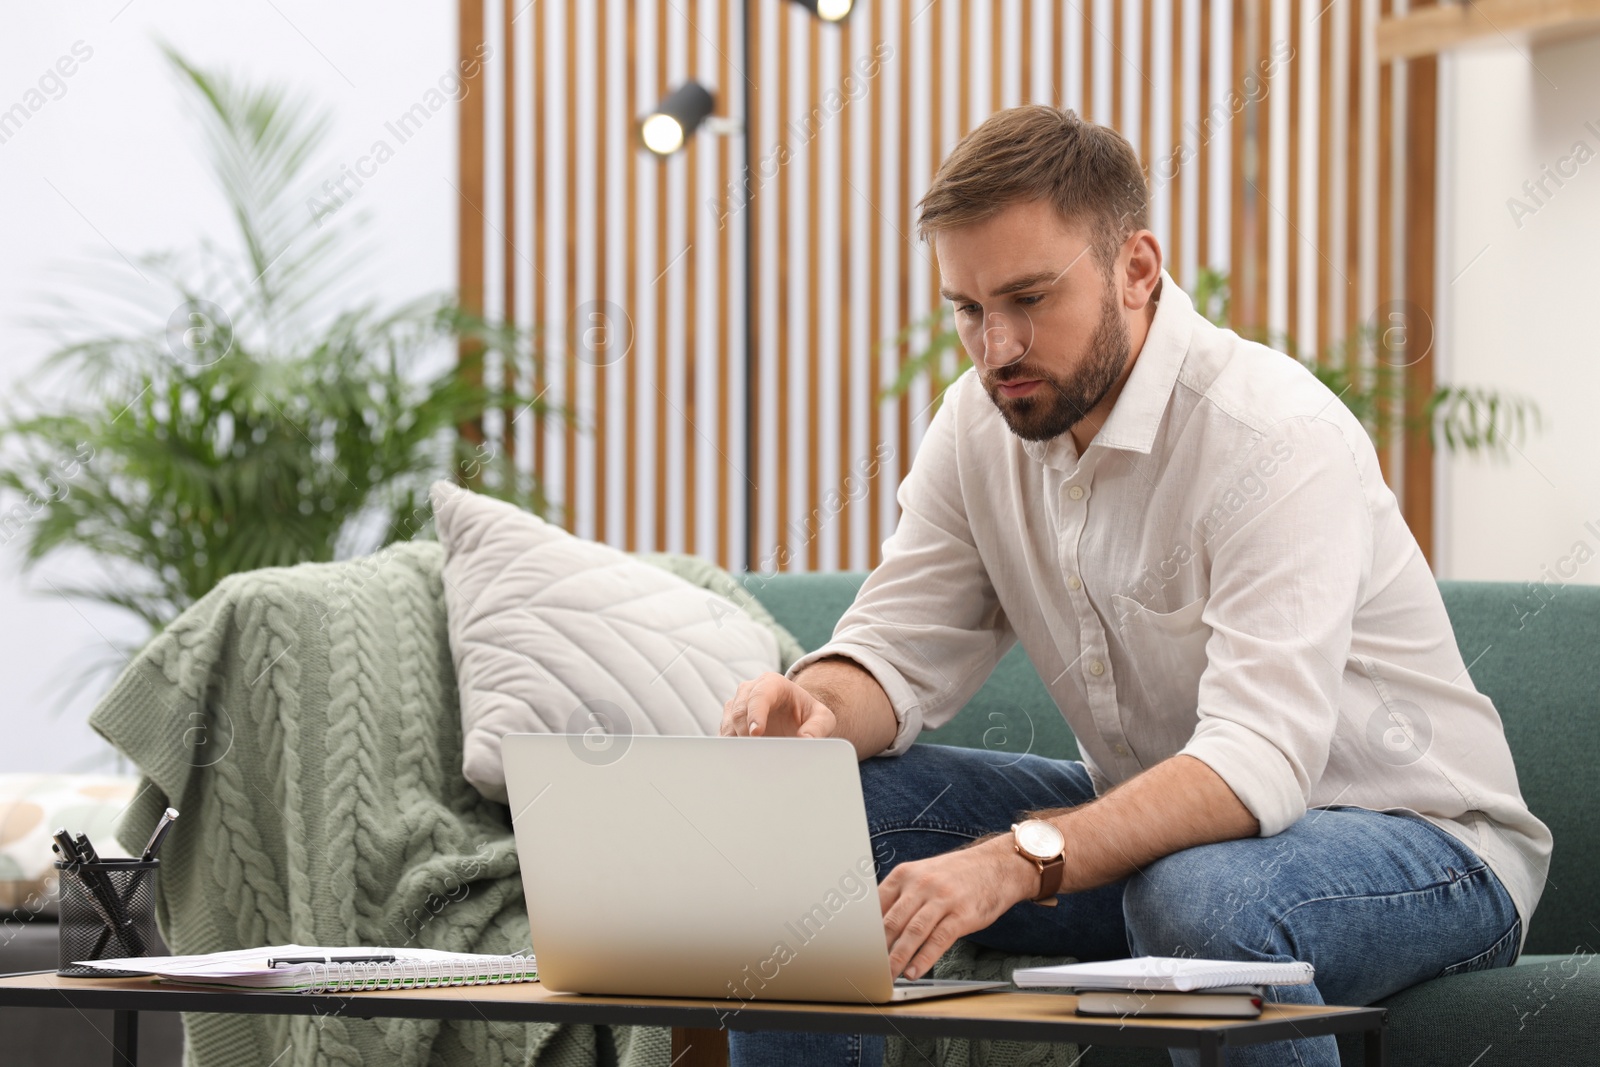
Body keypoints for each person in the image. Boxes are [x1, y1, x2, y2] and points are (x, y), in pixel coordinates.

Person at [718, 105, 1550, 1067]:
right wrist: (814, 709)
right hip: (1168, 843)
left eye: (1028, 298)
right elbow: (895, 654)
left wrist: (1010, 862)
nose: (996, 348)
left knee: (1203, 900)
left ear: (1137, 269)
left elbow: (1256, 762)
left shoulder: (1272, 435)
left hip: (1422, 849)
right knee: (810, 820)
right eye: (969, 309)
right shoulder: (980, 425)